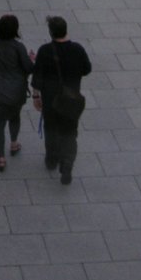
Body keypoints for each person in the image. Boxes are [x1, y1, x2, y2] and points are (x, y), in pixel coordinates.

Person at [31, 16, 92, 185]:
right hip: (71, 100)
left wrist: (36, 96)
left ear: (50, 32)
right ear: (66, 30)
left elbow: (37, 77)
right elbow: (87, 69)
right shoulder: (78, 49)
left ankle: (52, 159)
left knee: (51, 129)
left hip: (51, 100)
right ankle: (67, 164)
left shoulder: (44, 50)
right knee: (70, 133)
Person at [0, 15, 35, 172]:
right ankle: (14, 143)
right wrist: (31, 59)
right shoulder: (19, 47)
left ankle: (1, 158)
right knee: (14, 117)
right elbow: (28, 68)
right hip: (15, 92)